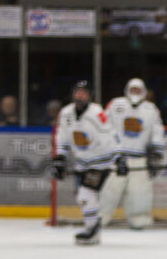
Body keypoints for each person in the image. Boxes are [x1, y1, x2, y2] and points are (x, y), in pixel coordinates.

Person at [53, 80, 125, 246]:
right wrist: (60, 158)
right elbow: (62, 137)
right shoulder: (66, 113)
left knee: (86, 195)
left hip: (101, 163)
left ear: (90, 95)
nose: (79, 95)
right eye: (77, 92)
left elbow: (111, 135)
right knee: (85, 196)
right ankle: (93, 229)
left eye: (83, 92)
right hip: (82, 163)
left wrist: (119, 157)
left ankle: (92, 230)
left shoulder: (97, 113)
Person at [99, 78, 165, 230]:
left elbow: (157, 130)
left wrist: (156, 151)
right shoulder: (116, 104)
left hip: (139, 157)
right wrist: (110, 149)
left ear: (143, 91)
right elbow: (105, 126)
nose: (135, 92)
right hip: (117, 158)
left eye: (138, 90)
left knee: (140, 193)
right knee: (109, 190)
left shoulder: (150, 109)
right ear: (127, 90)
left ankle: (139, 221)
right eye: (132, 89)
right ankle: (99, 219)